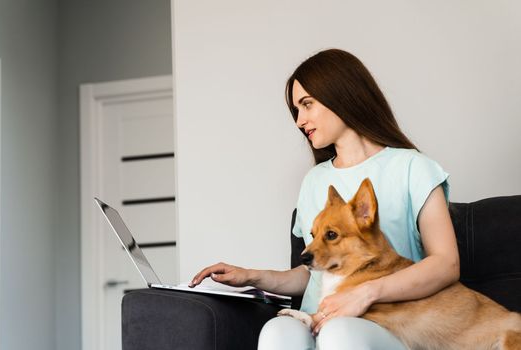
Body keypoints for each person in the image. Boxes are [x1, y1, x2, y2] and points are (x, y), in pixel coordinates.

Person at [189, 48, 460, 350]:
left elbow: (446, 264)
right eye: (296, 110)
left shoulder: (413, 167)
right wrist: (251, 276)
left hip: (390, 321)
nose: (299, 121)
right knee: (277, 331)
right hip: (319, 318)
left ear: (342, 95)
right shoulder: (314, 181)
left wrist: (366, 292)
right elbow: (314, 271)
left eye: (307, 105)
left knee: (340, 334)